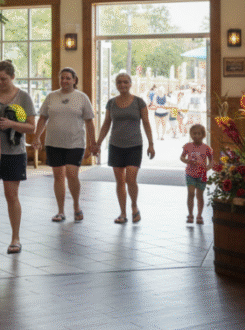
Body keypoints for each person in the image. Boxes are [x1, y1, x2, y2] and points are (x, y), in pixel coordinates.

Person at [0, 60, 36, 254]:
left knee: (11, 195)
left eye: (4, 79)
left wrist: (11, 125)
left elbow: (32, 127)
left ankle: (15, 237)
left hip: (14, 153)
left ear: (13, 77)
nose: (0, 82)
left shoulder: (23, 97)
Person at [35, 67, 96, 223]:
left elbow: (89, 122)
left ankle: (76, 206)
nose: (64, 81)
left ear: (74, 80)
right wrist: (37, 137)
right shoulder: (51, 97)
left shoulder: (82, 97)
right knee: (58, 176)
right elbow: (42, 118)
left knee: (72, 174)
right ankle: (61, 211)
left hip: (75, 142)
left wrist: (93, 143)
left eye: (68, 78)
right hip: (53, 142)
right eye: (62, 78)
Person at [94, 73, 155, 224]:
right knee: (120, 181)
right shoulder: (111, 103)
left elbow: (146, 123)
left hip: (134, 145)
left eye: (125, 82)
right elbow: (106, 123)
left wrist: (151, 144)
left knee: (130, 178)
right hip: (115, 145)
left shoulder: (139, 102)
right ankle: (122, 213)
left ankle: (134, 206)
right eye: (119, 82)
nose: (122, 85)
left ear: (130, 83)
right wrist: (98, 142)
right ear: (116, 84)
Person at [180, 124, 213, 224]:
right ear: (191, 134)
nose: (196, 136)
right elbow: (182, 157)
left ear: (203, 135)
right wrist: (188, 161)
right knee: (190, 194)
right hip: (190, 174)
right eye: (194, 133)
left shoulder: (207, 148)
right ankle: (190, 214)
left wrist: (208, 168)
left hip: (201, 175)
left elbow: (212, 161)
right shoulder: (187, 146)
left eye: (199, 133)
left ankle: (199, 215)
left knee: (200, 196)